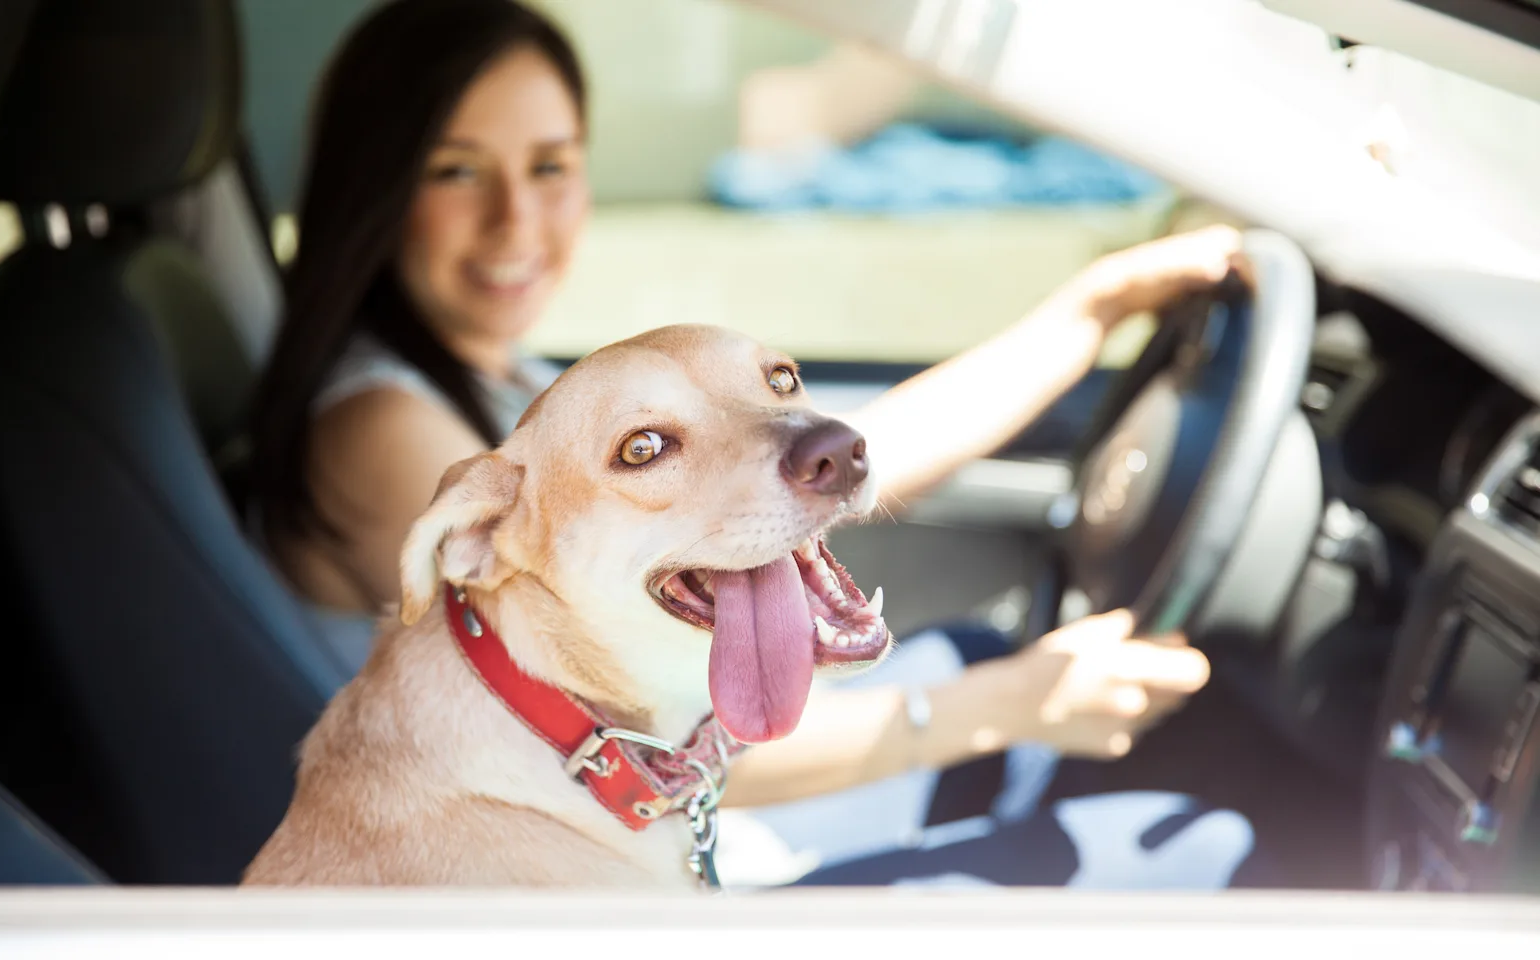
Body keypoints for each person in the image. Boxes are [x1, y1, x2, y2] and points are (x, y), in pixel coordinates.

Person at [244, 0, 1254, 889]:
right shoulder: (383, 427)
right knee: (1177, 845)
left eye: (550, 164)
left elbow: (818, 461)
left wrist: (1087, 313)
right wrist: (1009, 706)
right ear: (376, 186)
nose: (518, 218)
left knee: (1011, 674)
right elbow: (643, 745)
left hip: (650, 803)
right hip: (596, 826)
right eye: (456, 170)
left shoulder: (502, 376)